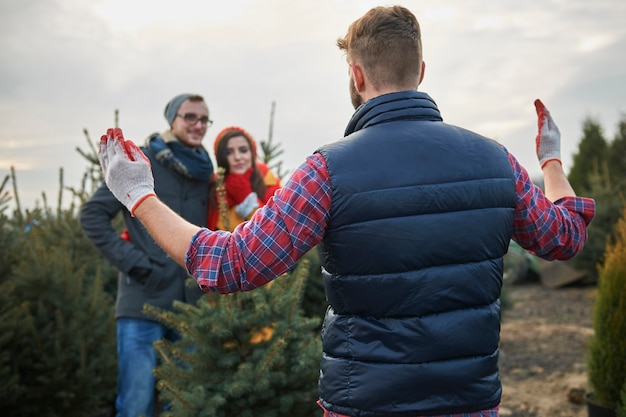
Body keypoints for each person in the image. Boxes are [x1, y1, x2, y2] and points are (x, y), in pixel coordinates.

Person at [95, 6, 596, 417]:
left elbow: (230, 263)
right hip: (470, 403)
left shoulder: (327, 171)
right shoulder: (496, 161)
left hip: (365, 405)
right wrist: (550, 158)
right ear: (420, 72)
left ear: (356, 76)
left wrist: (139, 194)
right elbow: (564, 238)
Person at [81, 93, 214, 417]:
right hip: (142, 301)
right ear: (172, 119)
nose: (198, 125)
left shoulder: (205, 172)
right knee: (136, 402)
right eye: (190, 117)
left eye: (204, 120)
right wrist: (137, 264)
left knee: (182, 403)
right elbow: (92, 215)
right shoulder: (142, 161)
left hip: (189, 308)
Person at [207, 126, 282, 232]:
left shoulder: (272, 186)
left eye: (243, 150)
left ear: (252, 154)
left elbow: (275, 231)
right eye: (229, 152)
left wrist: (245, 195)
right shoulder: (213, 189)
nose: (237, 157)